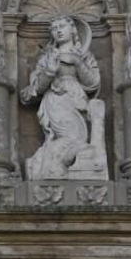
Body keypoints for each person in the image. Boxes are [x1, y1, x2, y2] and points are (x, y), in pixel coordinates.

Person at [19, 16, 101, 179]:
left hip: (77, 100)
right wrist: (49, 71)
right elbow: (37, 88)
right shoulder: (48, 57)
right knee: (70, 138)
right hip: (56, 101)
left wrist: (78, 62)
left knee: (79, 138)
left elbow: (93, 83)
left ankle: (53, 165)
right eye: (54, 28)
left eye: (62, 26)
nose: (58, 30)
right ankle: (51, 167)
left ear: (73, 30)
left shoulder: (84, 55)